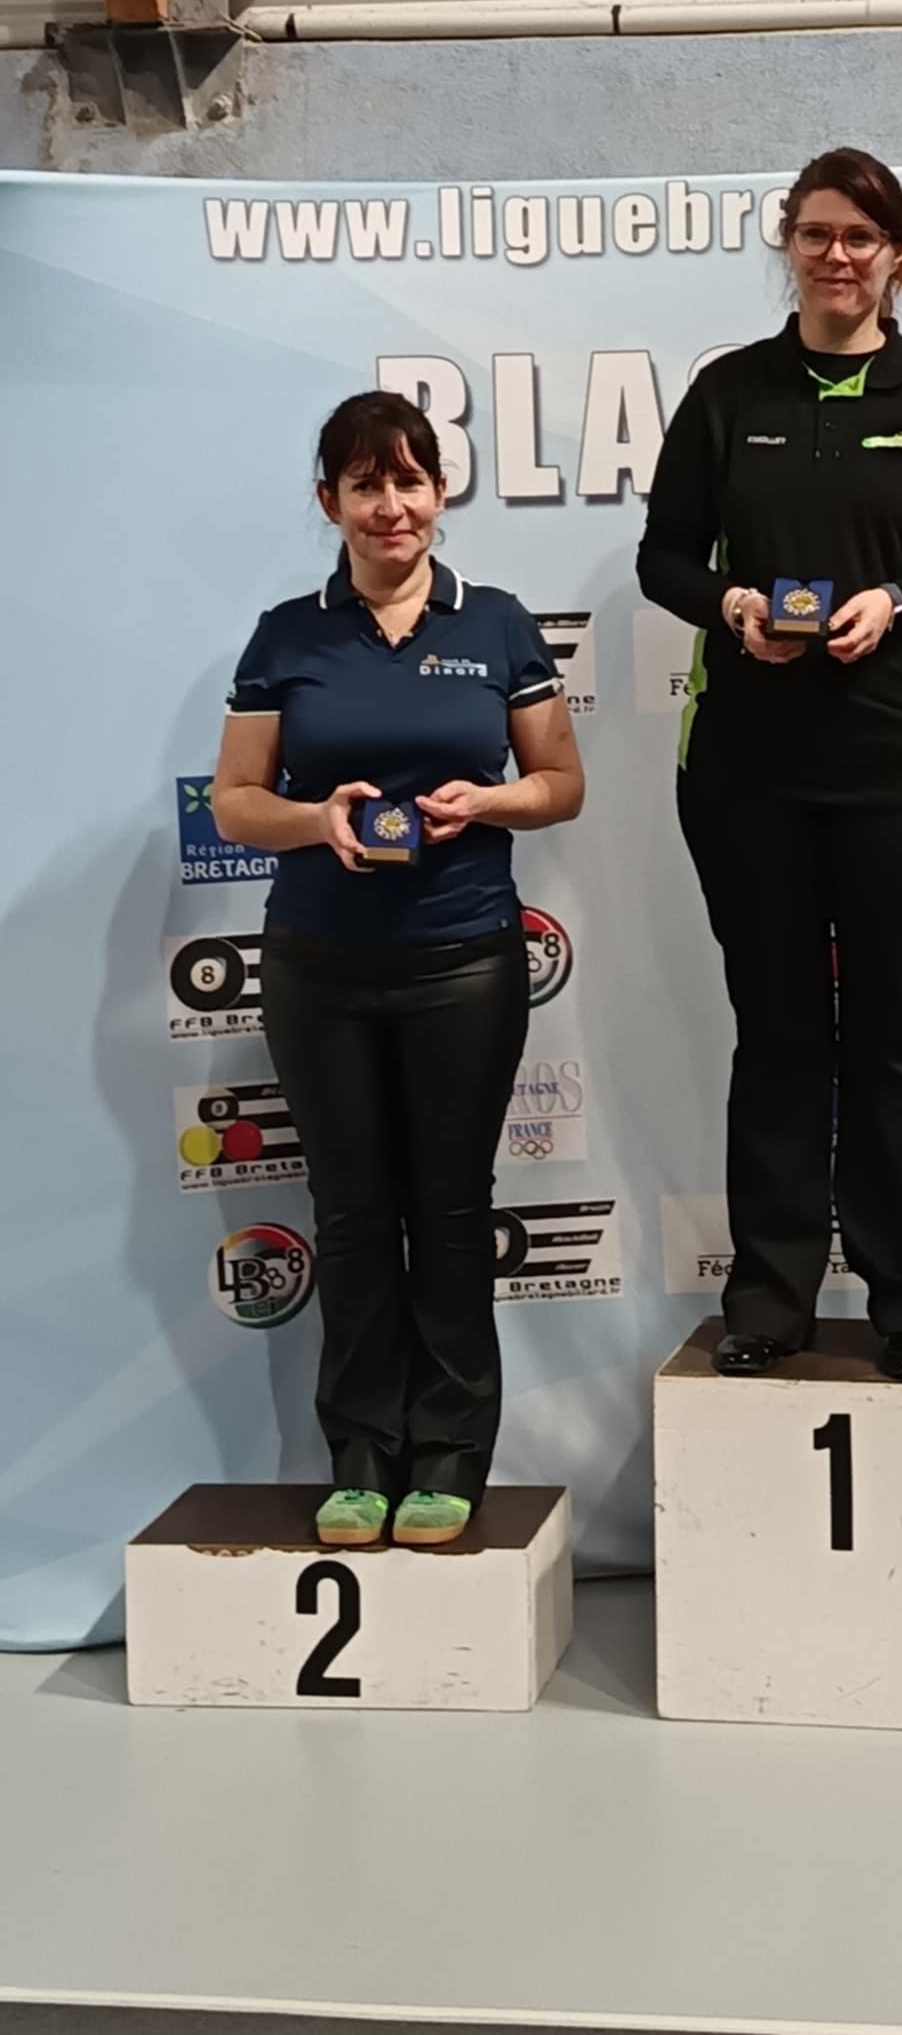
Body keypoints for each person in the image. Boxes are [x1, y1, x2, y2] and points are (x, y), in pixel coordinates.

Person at [638, 147, 902, 1382]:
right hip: (749, 768)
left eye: (862, 236)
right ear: (788, 246)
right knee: (779, 1031)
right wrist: (731, 602)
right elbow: (664, 559)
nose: (837, 255)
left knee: (898, 1036)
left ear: (899, 253)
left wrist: (901, 601)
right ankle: (771, 1292)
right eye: (815, 234)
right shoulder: (727, 393)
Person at [212, 391, 584, 1549]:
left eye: (411, 480)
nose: (393, 506)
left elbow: (561, 781)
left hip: (464, 959)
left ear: (440, 493)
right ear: (330, 501)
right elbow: (234, 800)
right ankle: (362, 1455)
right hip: (320, 964)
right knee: (356, 1215)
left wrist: (492, 798)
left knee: (453, 1210)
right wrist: (313, 817)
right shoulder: (286, 634)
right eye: (367, 485)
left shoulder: (500, 622)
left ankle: (451, 1457)